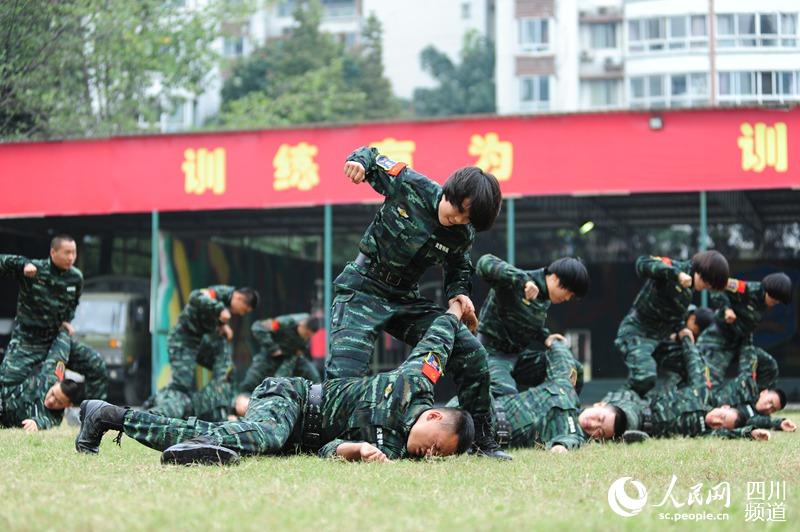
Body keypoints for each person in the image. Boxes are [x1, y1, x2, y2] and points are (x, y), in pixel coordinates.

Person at [75, 299, 475, 464]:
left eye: (437, 458)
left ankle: (121, 420)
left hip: (301, 436)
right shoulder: (415, 383)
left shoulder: (395, 452)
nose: (429, 457)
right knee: (258, 439)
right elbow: (436, 341)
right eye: (436, 448)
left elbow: (328, 448)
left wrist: (355, 450)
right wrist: (457, 309)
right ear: (435, 416)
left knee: (242, 439)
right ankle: (117, 417)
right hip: (294, 400)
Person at [326, 146, 508, 459]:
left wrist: (458, 294)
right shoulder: (409, 184)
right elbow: (371, 157)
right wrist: (357, 162)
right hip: (363, 289)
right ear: (451, 190)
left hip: (404, 299)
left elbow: (458, 265)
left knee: (472, 352)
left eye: (468, 218)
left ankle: (482, 440)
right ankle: (333, 441)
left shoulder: (462, 233)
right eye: (459, 208)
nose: (458, 219)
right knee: (343, 379)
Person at [604, 329, 770, 442]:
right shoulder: (702, 393)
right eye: (722, 417)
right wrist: (686, 339)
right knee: (617, 408)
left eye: (721, 425)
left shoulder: (704, 430)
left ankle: (623, 433)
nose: (717, 422)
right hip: (643, 406)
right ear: (724, 407)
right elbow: (694, 365)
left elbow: (730, 434)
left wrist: (750, 433)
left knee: (623, 419)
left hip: (645, 427)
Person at [614, 251, 729, 397]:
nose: (707, 287)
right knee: (645, 376)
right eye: (708, 282)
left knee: (693, 367)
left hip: (660, 339)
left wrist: (682, 329)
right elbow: (642, 263)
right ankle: (614, 406)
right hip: (637, 332)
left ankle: (673, 406)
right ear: (703, 272)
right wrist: (676, 275)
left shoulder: (688, 293)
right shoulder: (674, 268)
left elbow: (673, 316)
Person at [475, 254, 589, 398]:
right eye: (568, 293)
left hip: (518, 357)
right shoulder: (517, 281)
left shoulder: (544, 299)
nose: (567, 298)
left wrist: (545, 337)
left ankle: (561, 415)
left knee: (572, 370)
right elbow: (484, 262)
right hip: (492, 354)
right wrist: (524, 281)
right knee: (505, 393)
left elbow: (526, 324)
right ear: (555, 278)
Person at [142, 285, 259, 419]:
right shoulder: (220, 294)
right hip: (183, 341)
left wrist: (223, 326)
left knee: (227, 368)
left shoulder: (227, 302)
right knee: (181, 385)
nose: (240, 314)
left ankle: (219, 397)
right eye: (243, 310)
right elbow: (195, 296)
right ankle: (156, 406)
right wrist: (219, 310)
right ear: (239, 298)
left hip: (198, 343)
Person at [700, 272, 792, 391]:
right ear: (768, 290)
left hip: (742, 342)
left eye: (778, 300)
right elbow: (717, 286)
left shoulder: (764, 303)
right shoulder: (746, 288)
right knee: (711, 380)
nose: (776, 302)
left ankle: (755, 403)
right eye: (774, 298)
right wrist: (726, 309)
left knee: (769, 366)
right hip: (719, 340)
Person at [1, 331, 84, 431]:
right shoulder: (52, 377)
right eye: (53, 394)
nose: (51, 401)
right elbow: (59, 354)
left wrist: (36, 423)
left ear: (67, 405)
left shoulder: (55, 418)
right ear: (56, 384)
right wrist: (64, 330)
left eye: (59, 402)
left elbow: (45, 422)